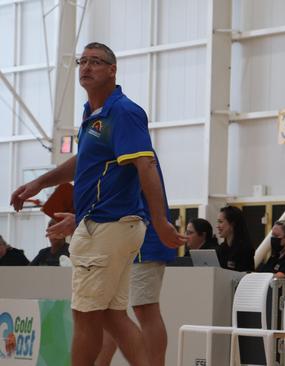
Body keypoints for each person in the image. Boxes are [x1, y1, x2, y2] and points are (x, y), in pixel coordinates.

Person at [10, 42, 185, 366]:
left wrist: (160, 220)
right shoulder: (93, 114)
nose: (86, 67)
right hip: (105, 224)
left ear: (112, 70)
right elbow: (87, 163)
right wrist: (40, 183)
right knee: (110, 316)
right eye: (82, 61)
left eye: (96, 62)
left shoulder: (124, 112)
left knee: (94, 315)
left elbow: (146, 167)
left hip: (112, 227)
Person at [95, 156, 176, 366]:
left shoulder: (132, 142)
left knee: (145, 308)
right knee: (109, 310)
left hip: (144, 237)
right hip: (121, 238)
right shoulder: (111, 145)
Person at [216, 206, 255, 271]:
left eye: (220, 222)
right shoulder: (221, 248)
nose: (217, 226)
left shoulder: (245, 248)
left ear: (232, 223)